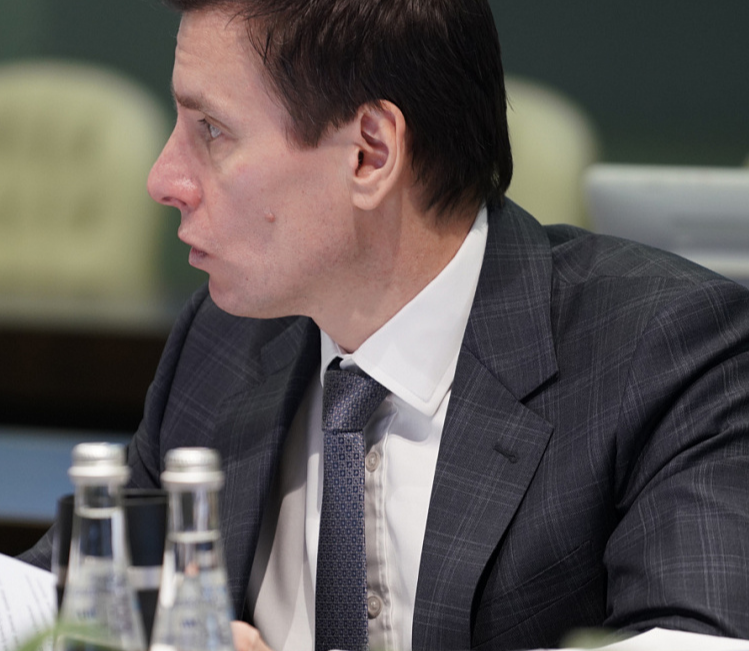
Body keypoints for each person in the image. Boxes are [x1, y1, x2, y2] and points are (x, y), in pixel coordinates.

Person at [20, 0, 749, 649]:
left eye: (211, 130)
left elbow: (698, 641)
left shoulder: (666, 351)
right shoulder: (224, 343)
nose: (163, 180)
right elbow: (63, 600)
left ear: (370, 152)